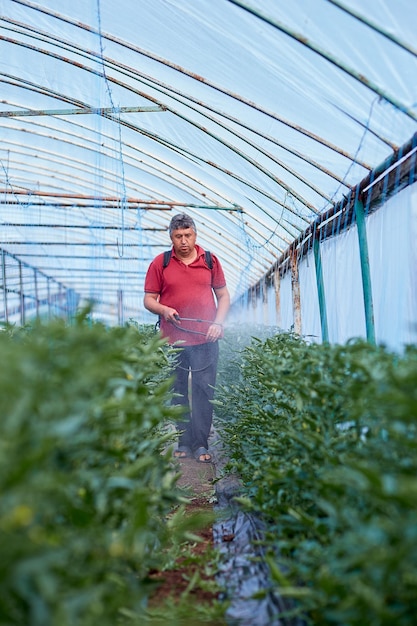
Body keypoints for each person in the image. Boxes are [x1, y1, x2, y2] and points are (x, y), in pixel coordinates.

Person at [143, 213, 230, 463]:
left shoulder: (210, 260)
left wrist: (218, 323)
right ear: (171, 236)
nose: (184, 241)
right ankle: (183, 441)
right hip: (173, 340)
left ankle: (201, 444)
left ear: (195, 234)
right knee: (177, 390)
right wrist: (164, 310)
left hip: (206, 338)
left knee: (204, 390)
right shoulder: (161, 263)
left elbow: (223, 296)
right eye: (178, 236)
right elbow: (149, 299)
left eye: (188, 235)